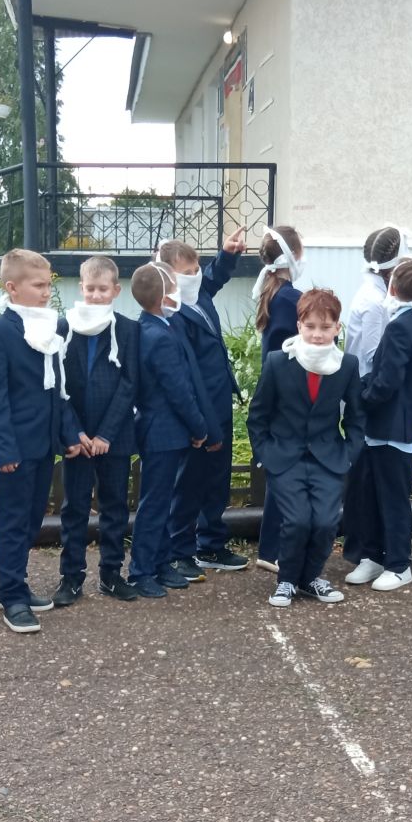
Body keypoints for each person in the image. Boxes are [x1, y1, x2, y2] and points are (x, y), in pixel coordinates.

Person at [0, 248, 87, 633]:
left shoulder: (51, 327)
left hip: (44, 443)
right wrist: (3, 449)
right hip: (16, 447)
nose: (46, 292)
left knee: (31, 519)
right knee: (13, 521)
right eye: (38, 285)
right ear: (12, 288)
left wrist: (68, 433)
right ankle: (12, 596)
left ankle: (10, 584)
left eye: (48, 285)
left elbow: (58, 388)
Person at [249, 288, 365, 607]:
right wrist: (265, 455)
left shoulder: (346, 365)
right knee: (298, 521)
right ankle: (287, 580)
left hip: (329, 457)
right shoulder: (278, 362)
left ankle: (310, 577)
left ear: (337, 328)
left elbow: (356, 416)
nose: (317, 334)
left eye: (325, 327)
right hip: (285, 458)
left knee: (326, 522)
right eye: (310, 326)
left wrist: (349, 455)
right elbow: (258, 414)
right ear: (299, 325)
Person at [159, 230, 249, 576]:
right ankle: (179, 550)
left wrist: (228, 254)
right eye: (187, 271)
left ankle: (210, 544)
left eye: (196, 268)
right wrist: (201, 423)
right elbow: (184, 376)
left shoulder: (198, 294)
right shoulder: (172, 313)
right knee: (188, 483)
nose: (195, 275)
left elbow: (212, 277)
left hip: (219, 402)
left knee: (216, 480)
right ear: (168, 276)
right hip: (196, 414)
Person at [56, 255, 140, 604]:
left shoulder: (128, 329)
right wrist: (74, 431)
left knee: (115, 506)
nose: (95, 295)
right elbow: (56, 384)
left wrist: (106, 434)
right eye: (90, 288)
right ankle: (71, 577)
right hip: (76, 439)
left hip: (113, 437)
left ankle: (111, 573)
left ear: (116, 291)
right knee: (74, 507)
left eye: (102, 289)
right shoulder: (64, 326)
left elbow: (130, 383)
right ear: (81, 288)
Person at [127, 262, 211, 599]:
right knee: (155, 503)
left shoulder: (152, 327)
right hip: (162, 430)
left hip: (161, 429)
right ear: (163, 297)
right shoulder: (158, 336)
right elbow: (178, 390)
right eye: (174, 286)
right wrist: (199, 427)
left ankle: (160, 562)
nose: (179, 291)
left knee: (160, 501)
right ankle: (141, 570)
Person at [353, 257, 412, 592]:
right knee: (372, 493)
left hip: (391, 427)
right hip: (388, 427)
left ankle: (399, 564)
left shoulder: (401, 325)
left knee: (393, 498)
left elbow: (388, 379)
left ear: (393, 287)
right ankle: (373, 555)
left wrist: (362, 396)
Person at [340, 226, 407, 570]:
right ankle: (364, 550)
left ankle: (364, 549)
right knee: (365, 480)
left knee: (365, 479)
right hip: (368, 398)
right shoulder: (376, 302)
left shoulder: (374, 292)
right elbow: (371, 355)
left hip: (363, 395)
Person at [252, 225, 305, 573]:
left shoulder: (275, 294)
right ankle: (273, 548)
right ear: (293, 256)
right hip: (289, 398)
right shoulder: (290, 298)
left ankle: (271, 547)